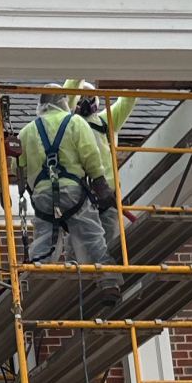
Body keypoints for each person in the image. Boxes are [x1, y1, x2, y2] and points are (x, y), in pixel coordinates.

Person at [13, 84, 121, 310]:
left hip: (42, 198)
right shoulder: (75, 123)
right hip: (73, 194)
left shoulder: (26, 132)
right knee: (93, 236)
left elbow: (16, 166)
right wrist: (100, 183)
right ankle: (108, 283)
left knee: (45, 240)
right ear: (63, 101)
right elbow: (90, 155)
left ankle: (33, 284)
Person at [75, 82, 137, 259]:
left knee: (108, 242)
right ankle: (84, 277)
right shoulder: (68, 125)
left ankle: (104, 276)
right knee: (78, 243)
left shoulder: (105, 121)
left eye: (88, 97)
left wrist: (132, 76)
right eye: (79, 98)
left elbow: (128, 101)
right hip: (80, 194)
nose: (84, 102)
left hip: (107, 192)